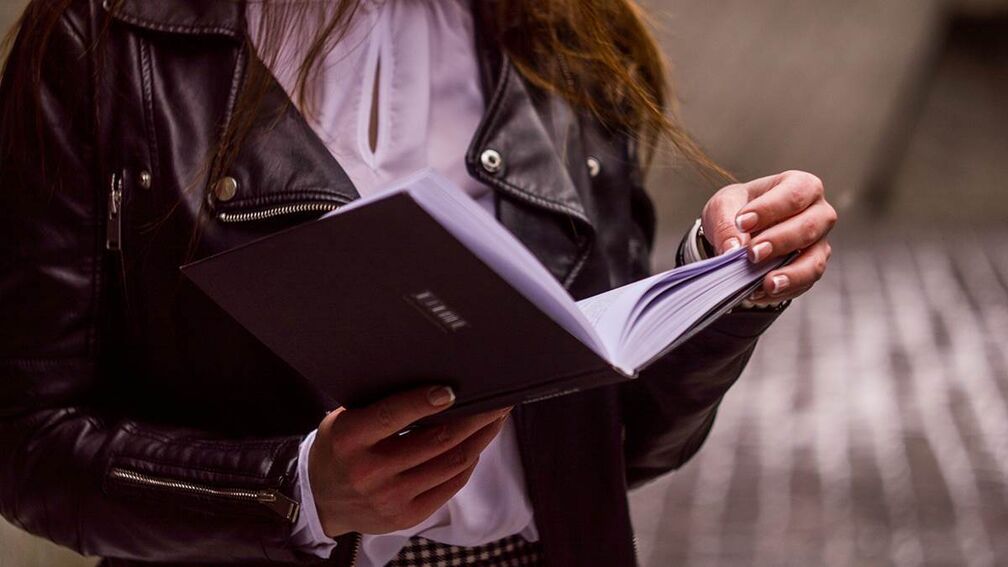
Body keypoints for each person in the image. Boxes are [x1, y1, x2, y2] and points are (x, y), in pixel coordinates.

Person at [0, 1, 836, 566]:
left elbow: (622, 443)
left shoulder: (566, 30)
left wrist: (722, 281)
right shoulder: (110, 33)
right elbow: (26, 441)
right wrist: (292, 490)